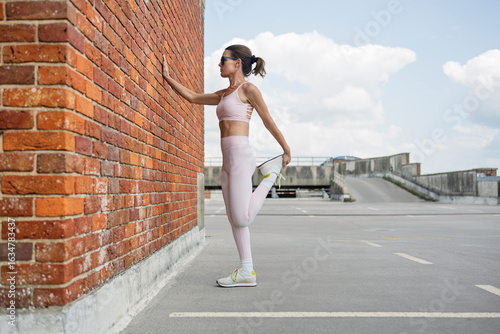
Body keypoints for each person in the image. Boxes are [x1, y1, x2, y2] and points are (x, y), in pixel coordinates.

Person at [162, 44, 291, 287]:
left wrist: (285, 149)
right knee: (233, 219)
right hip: (227, 160)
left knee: (242, 218)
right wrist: (168, 78)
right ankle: (246, 272)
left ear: (237, 63)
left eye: (223, 60)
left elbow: (267, 120)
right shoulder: (224, 94)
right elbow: (192, 97)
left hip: (241, 156)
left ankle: (270, 175)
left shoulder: (249, 89)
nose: (219, 64)